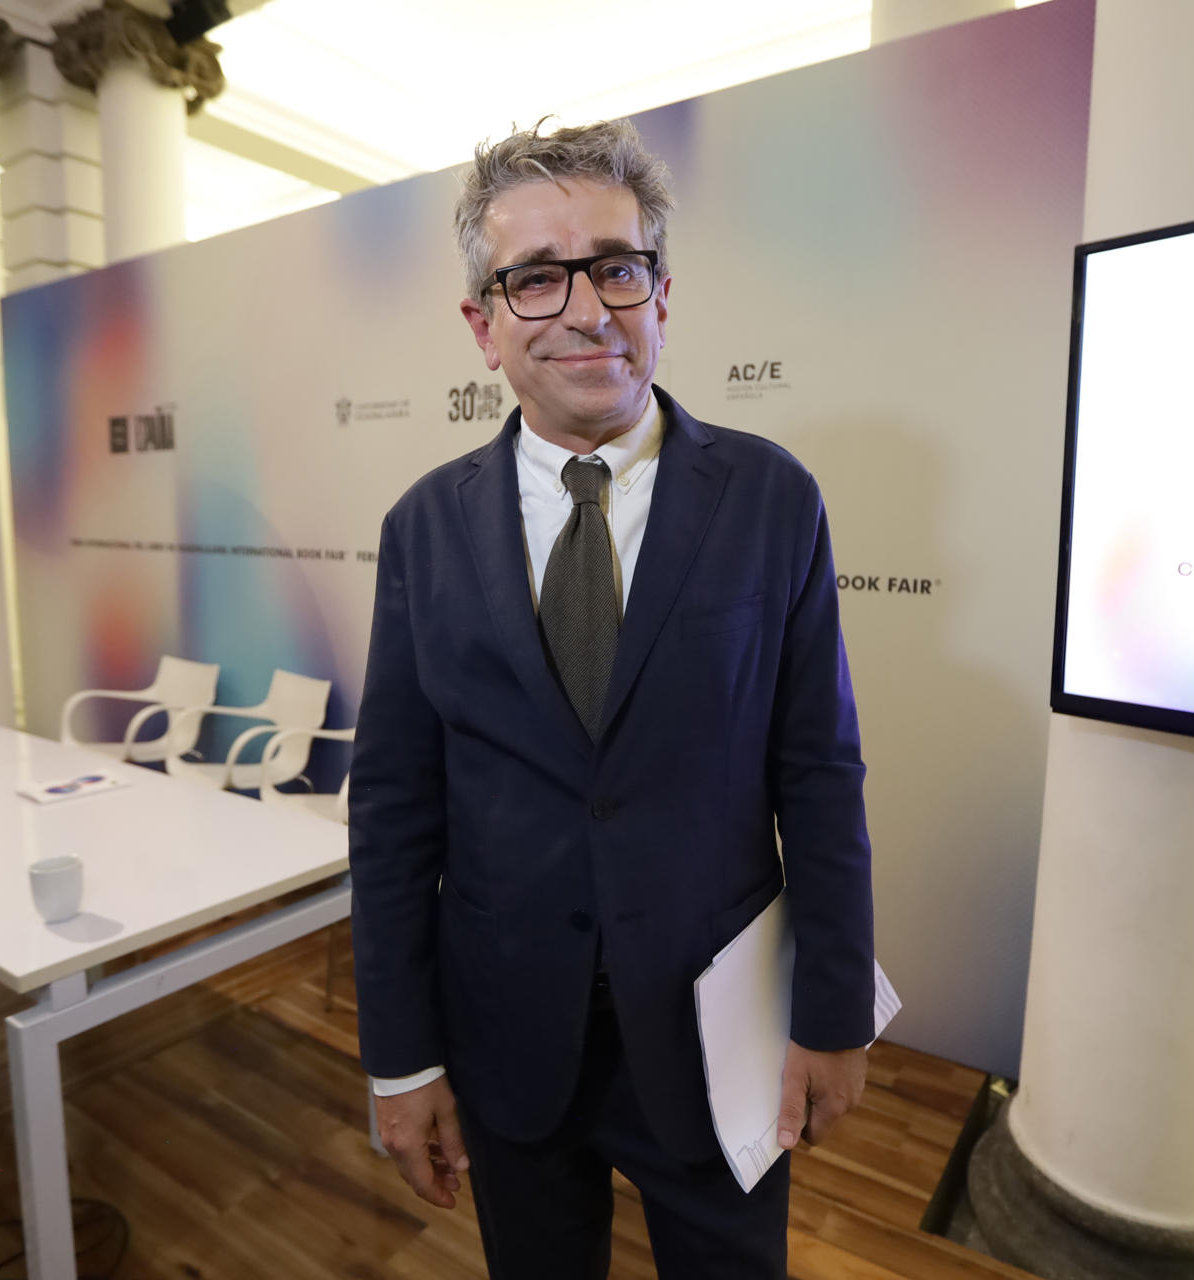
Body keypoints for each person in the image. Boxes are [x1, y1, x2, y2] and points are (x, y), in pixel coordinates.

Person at [349, 118, 875, 1279]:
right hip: (505, 1029)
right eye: (536, 279)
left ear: (661, 293)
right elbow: (394, 806)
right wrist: (399, 1056)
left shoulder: (772, 498)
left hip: (713, 1029)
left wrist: (833, 1009)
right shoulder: (422, 529)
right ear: (483, 326)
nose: (587, 309)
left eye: (616, 266)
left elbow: (819, 771)